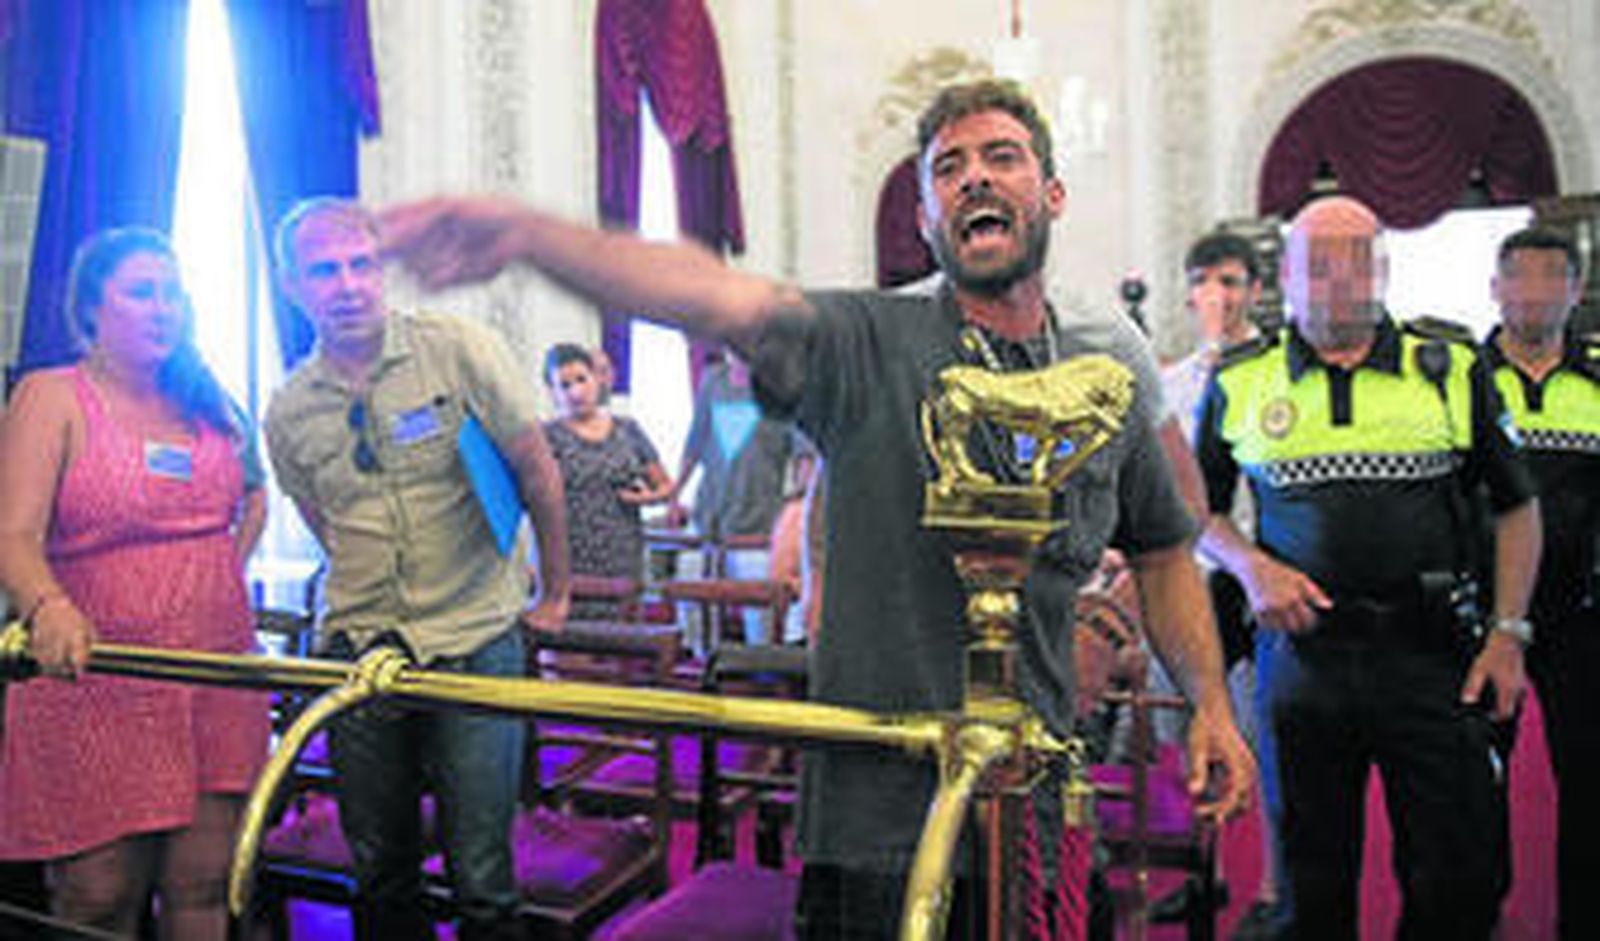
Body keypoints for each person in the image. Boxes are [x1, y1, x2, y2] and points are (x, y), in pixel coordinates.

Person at [378, 78, 1255, 940]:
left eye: (1003, 158)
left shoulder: (1103, 370)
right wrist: (530, 234)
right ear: (924, 219)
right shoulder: (867, 342)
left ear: (1052, 193)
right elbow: (714, 293)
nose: (975, 178)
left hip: (1040, 806)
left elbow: (1164, 546)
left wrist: (1210, 702)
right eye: (948, 169)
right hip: (879, 821)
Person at [1195, 195, 1540, 940]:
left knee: (1453, 883)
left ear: (1382, 270)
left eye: (1357, 261)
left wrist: (1509, 633)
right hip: (1301, 661)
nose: (1338, 280)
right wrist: (1252, 567)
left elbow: (1518, 506)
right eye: (1318, 263)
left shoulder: (1446, 366)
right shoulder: (1240, 380)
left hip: (1431, 656)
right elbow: (1197, 511)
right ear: (1283, 276)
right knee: (1309, 893)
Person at [263, 198, 571, 941]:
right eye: (323, 270)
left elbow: (538, 472)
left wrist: (555, 591)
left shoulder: (458, 349)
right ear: (292, 285)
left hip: (474, 635)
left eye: (361, 265)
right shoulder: (288, 409)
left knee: (482, 876)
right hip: (359, 648)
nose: (347, 285)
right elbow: (322, 517)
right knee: (380, 869)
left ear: (383, 269)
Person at [0, 227, 269, 939]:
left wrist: (216, 573)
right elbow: (13, 534)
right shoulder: (51, 395)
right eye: (142, 292)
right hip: (98, 676)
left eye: (174, 293)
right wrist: (47, 604)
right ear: (92, 309)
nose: (164, 308)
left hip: (215, 670)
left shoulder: (205, 397)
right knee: (99, 893)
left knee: (204, 882)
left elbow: (249, 497)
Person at [1157, 231, 1282, 936]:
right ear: (1189, 292)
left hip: (1254, 573)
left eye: (1235, 283)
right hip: (1186, 578)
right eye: (1208, 283)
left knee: (1261, 739)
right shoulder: (1172, 383)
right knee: (1188, 736)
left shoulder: (1276, 369)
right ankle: (1204, 873)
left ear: (1256, 291)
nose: (1222, 297)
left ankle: (1270, 888)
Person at [1483, 226, 1598, 941]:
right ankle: (1479, 912)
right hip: (1486, 618)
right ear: (1494, 288)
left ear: (1577, 291)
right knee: (1473, 782)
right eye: (1518, 277)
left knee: (1588, 779)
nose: (1535, 292)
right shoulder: (1461, 375)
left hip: (1581, 615)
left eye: (1553, 277)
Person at [542, 342, 673, 619]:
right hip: (569, 560)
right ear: (553, 393)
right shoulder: (544, 437)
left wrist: (643, 499)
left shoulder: (628, 429)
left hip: (623, 554)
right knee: (573, 649)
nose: (576, 391)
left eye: (581, 379)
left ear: (596, 379)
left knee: (622, 645)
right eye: (564, 386)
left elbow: (666, 487)